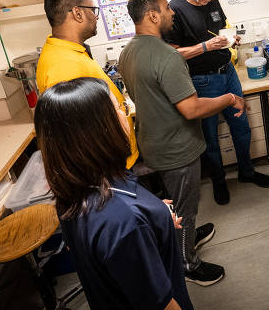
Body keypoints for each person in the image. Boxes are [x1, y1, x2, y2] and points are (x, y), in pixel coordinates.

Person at [118, 0, 244, 286]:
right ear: (152, 15)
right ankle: (188, 262)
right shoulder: (167, 56)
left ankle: (186, 236)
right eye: (166, 8)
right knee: (185, 208)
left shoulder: (128, 52)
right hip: (177, 149)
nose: (172, 12)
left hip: (153, 143)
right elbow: (191, 108)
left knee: (174, 203)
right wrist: (229, 98)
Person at [34, 77, 193, 310]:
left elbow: (90, 246)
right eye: (118, 107)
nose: (125, 113)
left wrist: (155, 221)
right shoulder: (125, 222)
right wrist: (140, 228)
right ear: (97, 131)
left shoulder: (75, 189)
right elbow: (160, 305)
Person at [165, 0, 269, 206]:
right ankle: (219, 181)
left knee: (241, 126)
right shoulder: (174, 10)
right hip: (202, 81)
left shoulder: (212, 0)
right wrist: (205, 47)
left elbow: (221, 27)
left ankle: (246, 171)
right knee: (210, 138)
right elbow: (171, 55)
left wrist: (230, 38)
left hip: (229, 73)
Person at [36, 0, 138, 168]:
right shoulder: (63, 66)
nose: (96, 17)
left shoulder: (71, 52)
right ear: (77, 13)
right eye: (93, 10)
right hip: (111, 167)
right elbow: (80, 137)